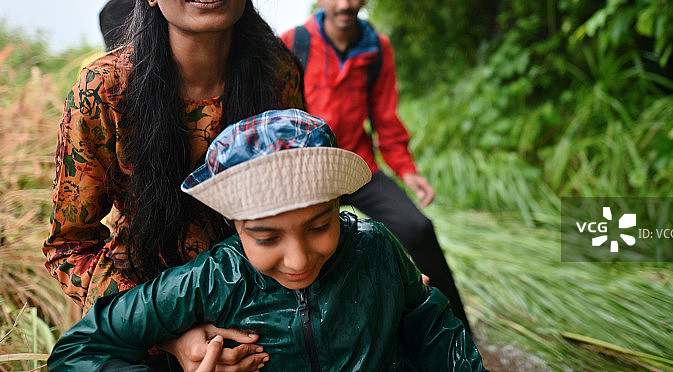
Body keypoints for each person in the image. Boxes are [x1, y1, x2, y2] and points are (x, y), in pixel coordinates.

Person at [43, 0, 304, 371]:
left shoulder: (277, 73)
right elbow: (69, 247)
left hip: (262, 312)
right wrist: (170, 334)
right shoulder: (103, 90)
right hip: (144, 314)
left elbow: (301, 206)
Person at [47, 109, 485, 371]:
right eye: (266, 237)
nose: (297, 259)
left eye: (318, 227)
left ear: (339, 205)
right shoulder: (213, 279)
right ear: (235, 224)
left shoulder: (375, 247)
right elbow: (77, 350)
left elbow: (435, 330)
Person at [280, 0, 472, 333]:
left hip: (360, 169)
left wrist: (407, 170)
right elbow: (280, 116)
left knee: (418, 229)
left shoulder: (377, 47)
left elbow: (385, 118)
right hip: (307, 176)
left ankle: (458, 329)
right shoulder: (292, 44)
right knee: (307, 255)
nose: (344, 3)